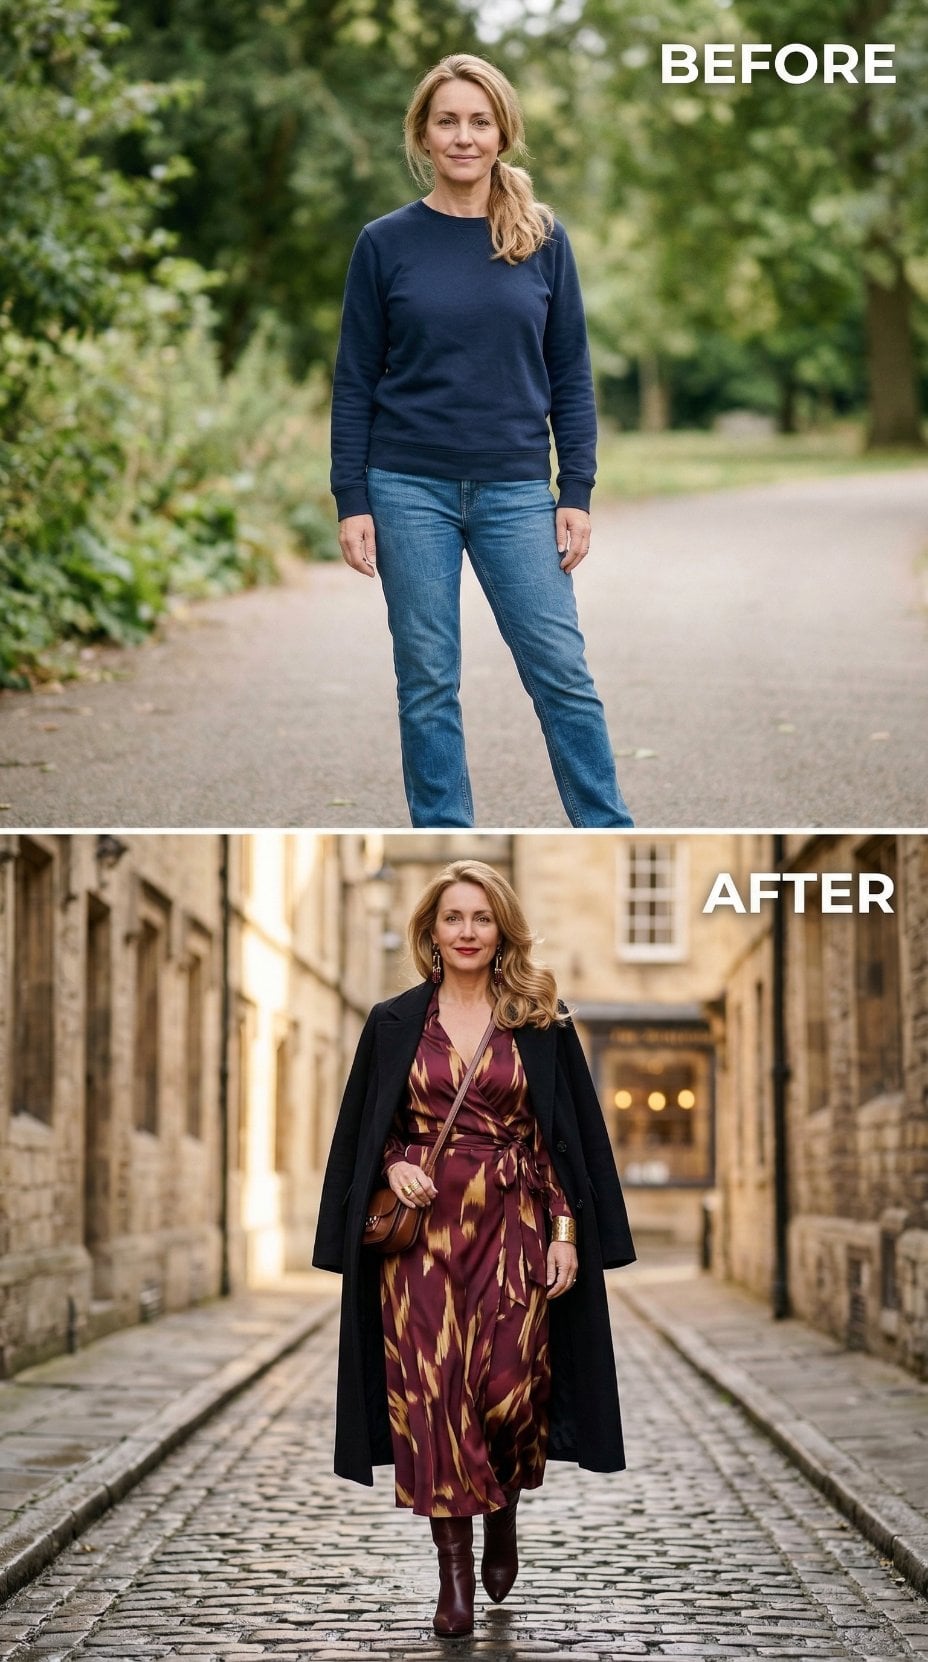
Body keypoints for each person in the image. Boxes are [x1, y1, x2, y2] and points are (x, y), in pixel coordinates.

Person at [312, 860, 636, 1638]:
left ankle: (502, 1511)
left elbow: (561, 1140)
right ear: (431, 930)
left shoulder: (540, 1018)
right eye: (452, 918)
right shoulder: (392, 1022)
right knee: (432, 1398)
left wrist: (566, 1235)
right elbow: (367, 1128)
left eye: (481, 918)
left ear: (502, 931)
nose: (466, 931)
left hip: (516, 1227)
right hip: (421, 1243)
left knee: (509, 1389)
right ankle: (453, 1571)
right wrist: (394, 1163)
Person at [330, 53, 633, 830]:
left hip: (514, 491)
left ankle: (606, 829)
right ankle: (444, 836)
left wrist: (577, 492)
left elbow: (570, 373)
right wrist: (352, 498)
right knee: (428, 679)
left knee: (561, 671)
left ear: (502, 133)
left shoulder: (541, 240)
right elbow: (354, 380)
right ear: (424, 136)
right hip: (407, 487)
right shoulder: (383, 243)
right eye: (447, 121)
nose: (463, 136)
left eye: (479, 121)